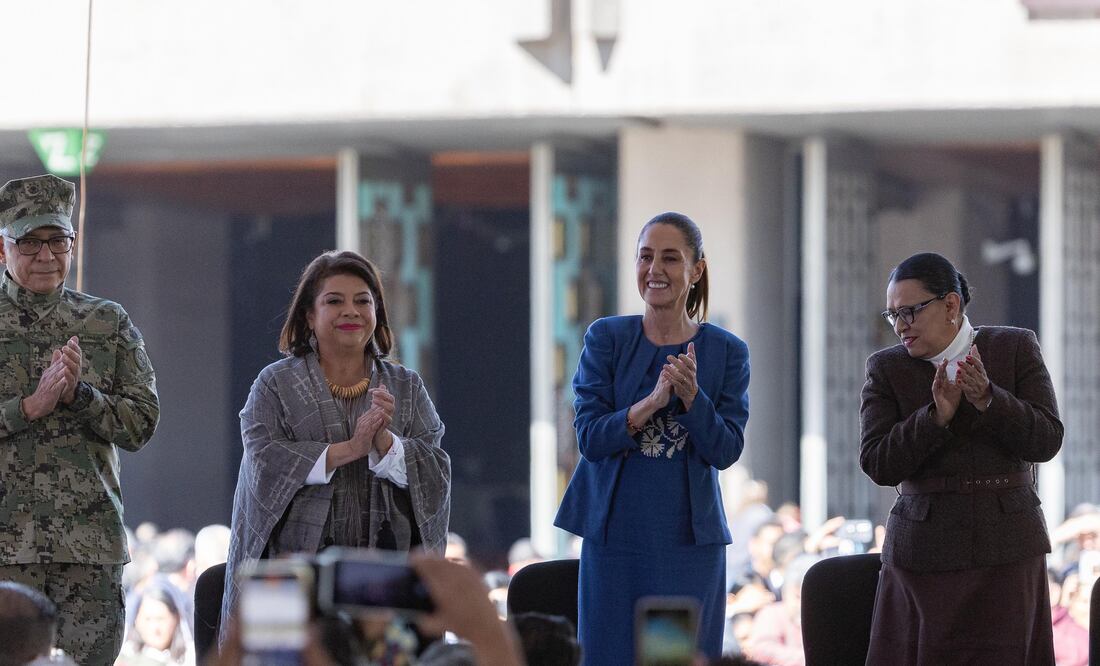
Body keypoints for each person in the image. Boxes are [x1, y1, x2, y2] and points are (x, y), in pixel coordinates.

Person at [220, 250, 450, 636]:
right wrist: (350, 449)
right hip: (292, 573)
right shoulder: (274, 384)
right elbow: (264, 458)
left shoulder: (406, 386)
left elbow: (435, 468)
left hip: (386, 581)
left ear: (377, 314)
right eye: (334, 301)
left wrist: (386, 444)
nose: (351, 312)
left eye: (363, 301)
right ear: (309, 316)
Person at [554, 211, 750, 663]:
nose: (654, 270)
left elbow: (725, 450)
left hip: (685, 545)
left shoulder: (726, 352)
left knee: (671, 660)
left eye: (670, 258)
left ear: (696, 270)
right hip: (614, 541)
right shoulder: (607, 337)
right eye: (645, 257)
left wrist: (692, 398)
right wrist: (651, 403)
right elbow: (590, 438)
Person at [860, 252, 1062, 664]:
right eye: (892, 315)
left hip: (1008, 546)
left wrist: (989, 399)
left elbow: (1046, 440)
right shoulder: (887, 368)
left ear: (951, 304)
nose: (901, 326)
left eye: (911, 312)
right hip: (923, 552)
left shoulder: (1013, 347)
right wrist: (935, 417)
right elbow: (878, 462)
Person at [0, 174, 160, 665]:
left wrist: (80, 396)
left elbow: (141, 423)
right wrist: (28, 408)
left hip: (87, 549)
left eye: (58, 240)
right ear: (2, 248)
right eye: (30, 242)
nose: (46, 255)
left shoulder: (106, 322)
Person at [116, 578, 196, 666]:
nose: (154, 628)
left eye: (160, 619)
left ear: (176, 618)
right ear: (136, 620)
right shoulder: (123, 658)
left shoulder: (190, 659)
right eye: (148, 619)